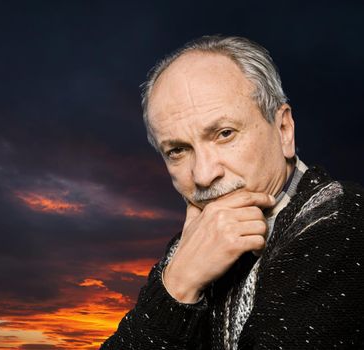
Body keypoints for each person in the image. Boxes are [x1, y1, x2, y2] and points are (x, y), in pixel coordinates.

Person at [100, 35, 364, 349]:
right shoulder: (193, 247)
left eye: (225, 134)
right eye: (177, 151)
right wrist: (178, 285)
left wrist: (178, 286)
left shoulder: (339, 222)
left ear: (284, 131)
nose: (203, 174)